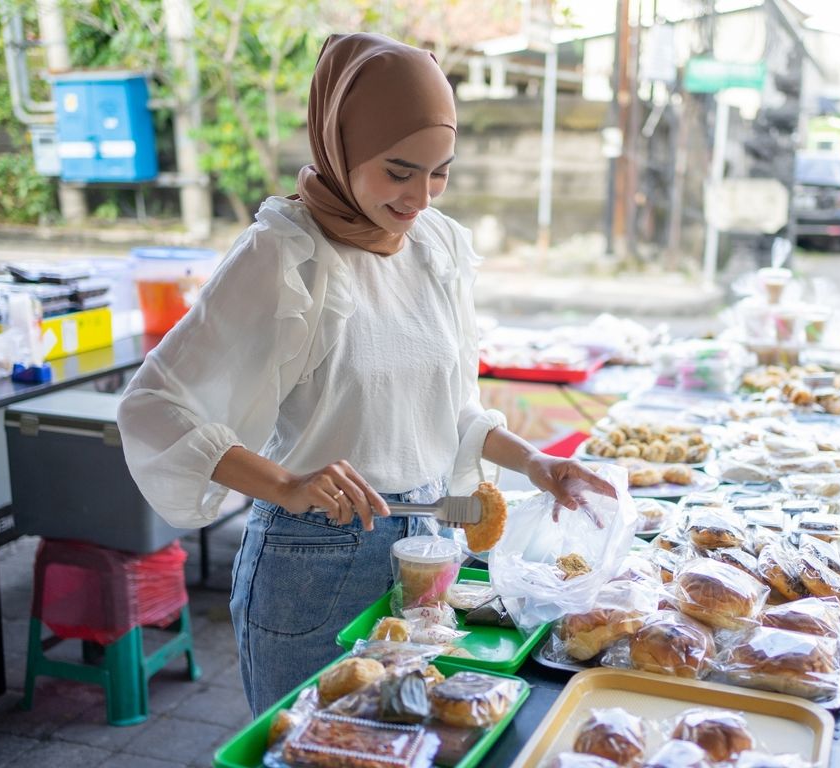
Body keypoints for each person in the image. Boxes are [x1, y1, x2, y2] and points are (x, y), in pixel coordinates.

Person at [117, 32, 616, 716]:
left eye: (440, 171)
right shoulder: (285, 253)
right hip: (311, 561)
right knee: (318, 749)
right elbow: (151, 406)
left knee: (415, 745)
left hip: (427, 547)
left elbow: (445, 409)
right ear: (340, 142)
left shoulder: (434, 245)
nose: (419, 197)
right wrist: (286, 483)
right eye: (399, 170)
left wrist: (534, 464)